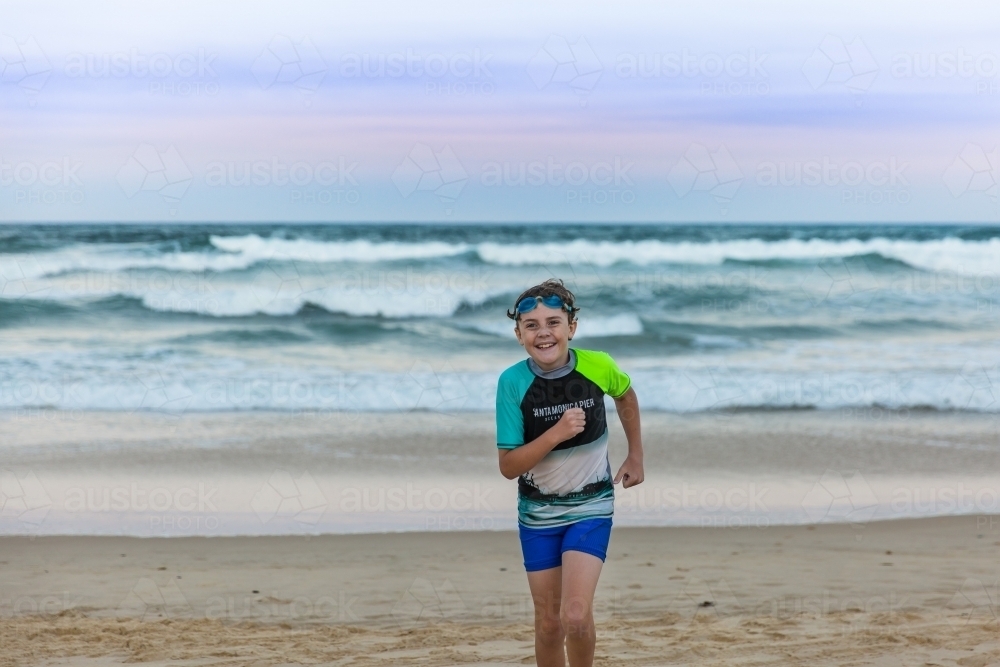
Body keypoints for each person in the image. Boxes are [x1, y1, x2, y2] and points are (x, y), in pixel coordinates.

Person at [495, 278, 644, 667]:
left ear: (571, 327)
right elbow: (509, 467)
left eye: (553, 322)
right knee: (548, 624)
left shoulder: (599, 365)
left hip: (592, 505)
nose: (543, 332)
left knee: (574, 616)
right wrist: (556, 433)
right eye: (532, 325)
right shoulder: (512, 383)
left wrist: (636, 455)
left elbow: (625, 394)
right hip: (538, 513)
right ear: (519, 334)